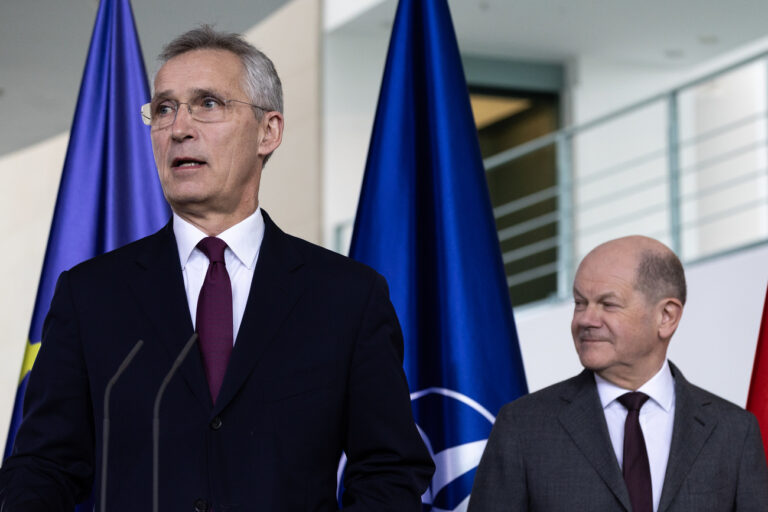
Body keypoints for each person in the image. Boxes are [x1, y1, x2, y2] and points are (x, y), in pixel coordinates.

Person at [0, 26, 434, 511]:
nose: (179, 127)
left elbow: (389, 471)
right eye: (164, 109)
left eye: (208, 103)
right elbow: (43, 467)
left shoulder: (348, 297)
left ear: (268, 131)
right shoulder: (90, 295)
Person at [468, 235, 768, 512]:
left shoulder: (734, 432)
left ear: (666, 316)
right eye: (580, 303)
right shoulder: (523, 426)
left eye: (608, 304)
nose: (585, 319)